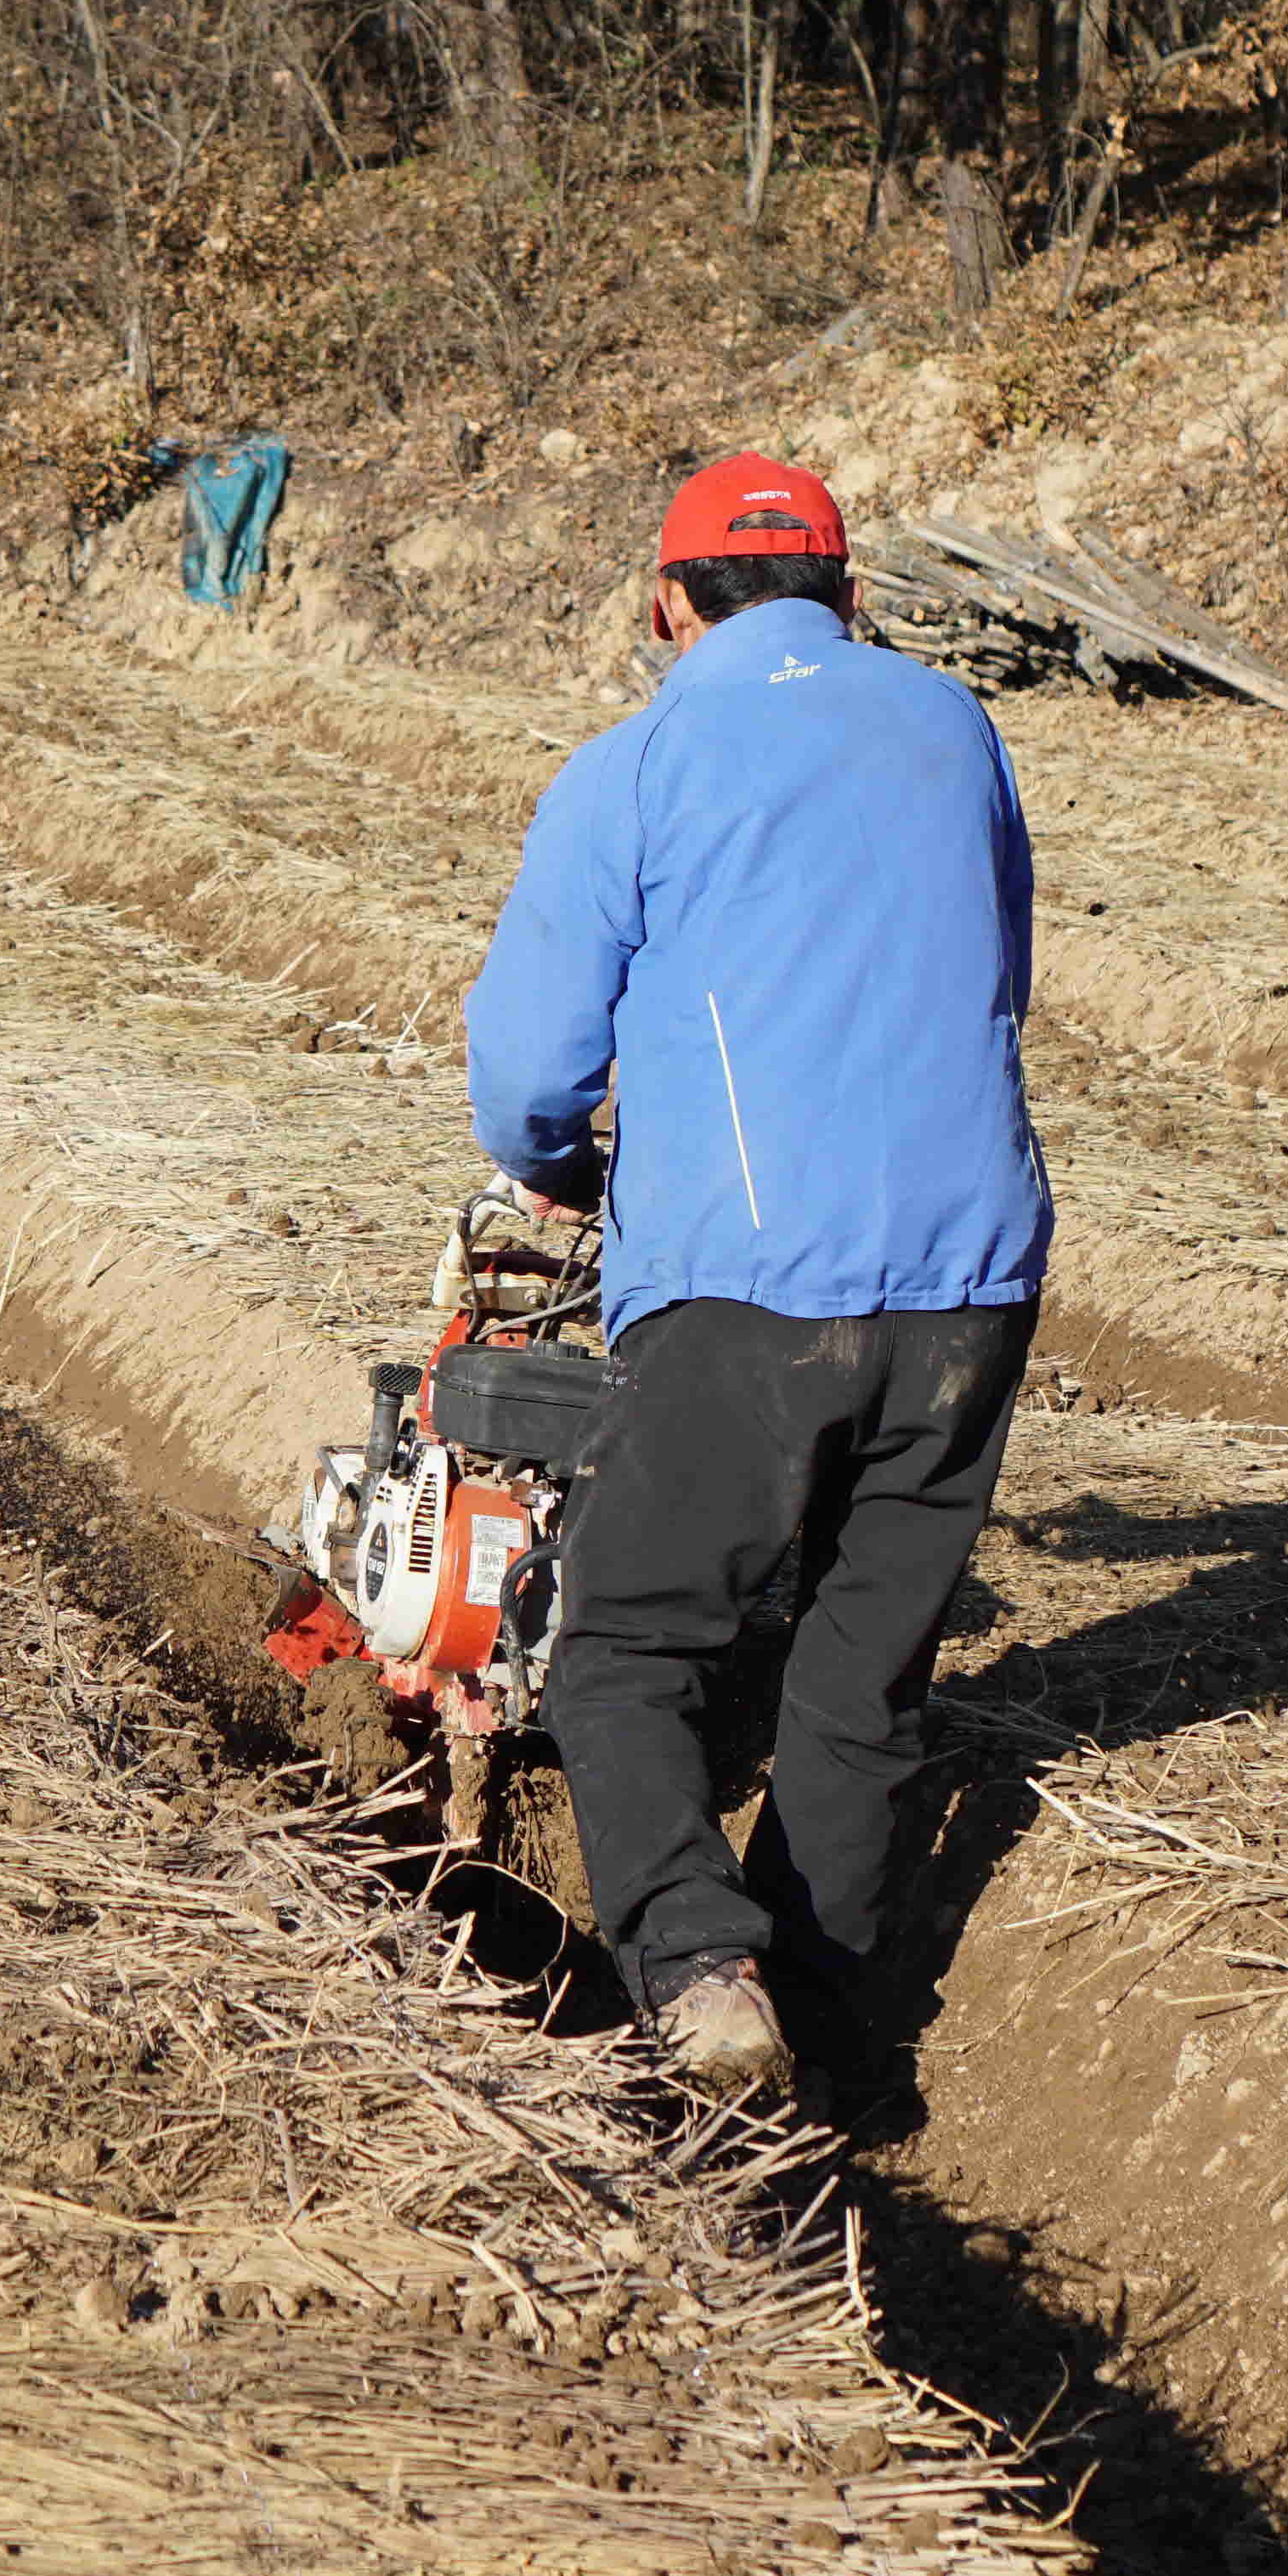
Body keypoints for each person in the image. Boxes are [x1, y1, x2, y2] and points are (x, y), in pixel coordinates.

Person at [462, 452, 1052, 2099]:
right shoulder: (961, 731)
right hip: (973, 1282)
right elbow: (998, 971)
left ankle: (702, 1967)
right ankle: (838, 2056)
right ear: (855, 598)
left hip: (747, 1294)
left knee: (625, 1645)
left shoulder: (634, 765)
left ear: (666, 605)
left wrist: (587, 1173)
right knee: (857, 1677)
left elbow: (525, 1069)